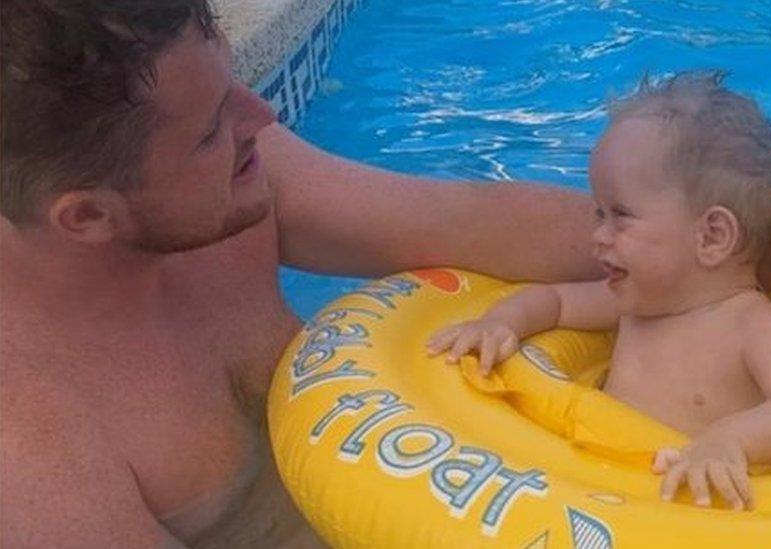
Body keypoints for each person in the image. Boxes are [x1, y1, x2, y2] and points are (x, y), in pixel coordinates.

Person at [0, 2, 604, 547]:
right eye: (211, 128)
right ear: (86, 216)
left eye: (231, 81)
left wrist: (682, 256)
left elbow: (471, 222)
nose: (262, 114)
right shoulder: (29, 451)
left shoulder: (226, 175)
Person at [427, 72, 771, 512]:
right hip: (593, 488)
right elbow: (554, 302)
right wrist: (500, 324)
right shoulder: (633, 302)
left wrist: (727, 441)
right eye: (599, 213)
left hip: (679, 517)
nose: (597, 236)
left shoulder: (752, 325)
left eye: (620, 215)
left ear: (712, 236)